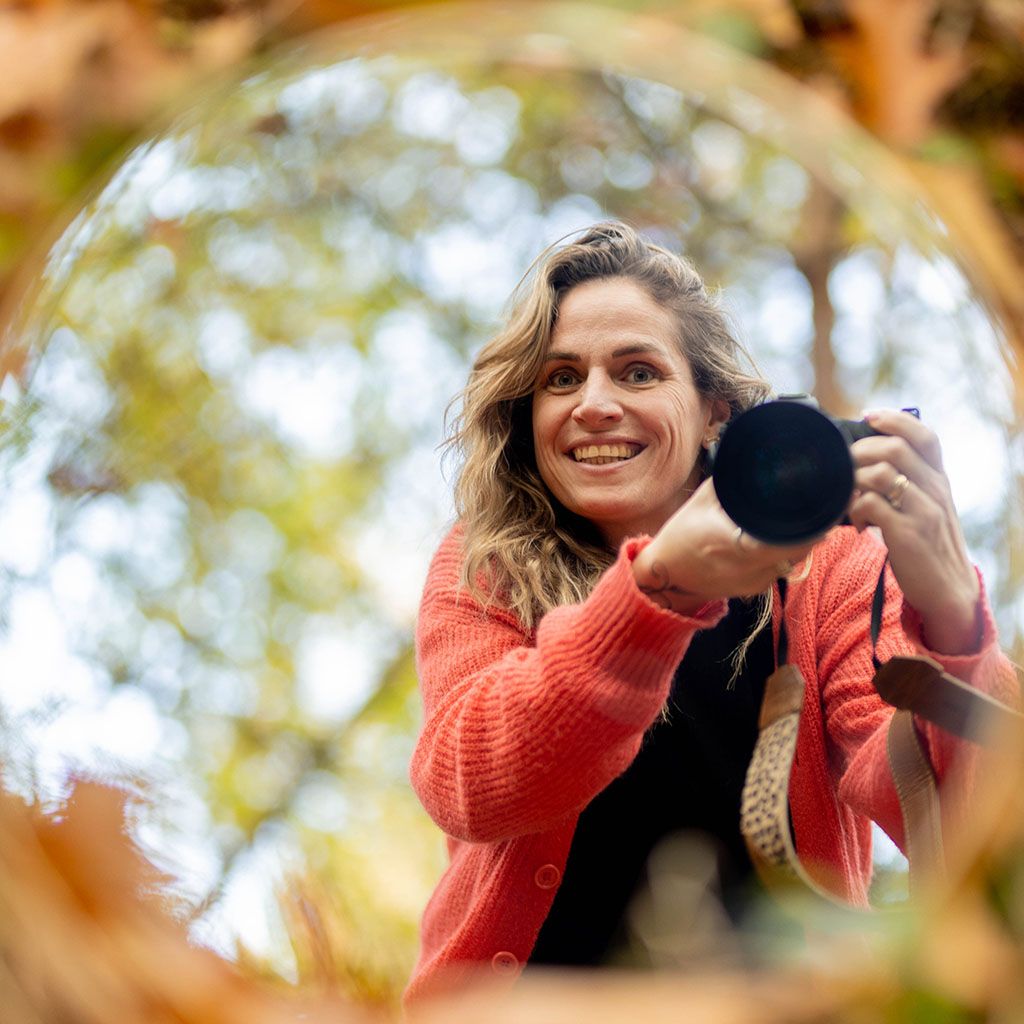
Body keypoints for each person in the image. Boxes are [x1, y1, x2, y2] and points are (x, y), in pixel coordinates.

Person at [404, 222, 1017, 1004]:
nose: (593, 404)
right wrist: (656, 590)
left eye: (637, 371)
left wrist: (956, 623)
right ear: (527, 415)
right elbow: (470, 785)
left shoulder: (829, 565)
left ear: (714, 412)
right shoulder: (485, 562)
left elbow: (966, 831)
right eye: (560, 378)